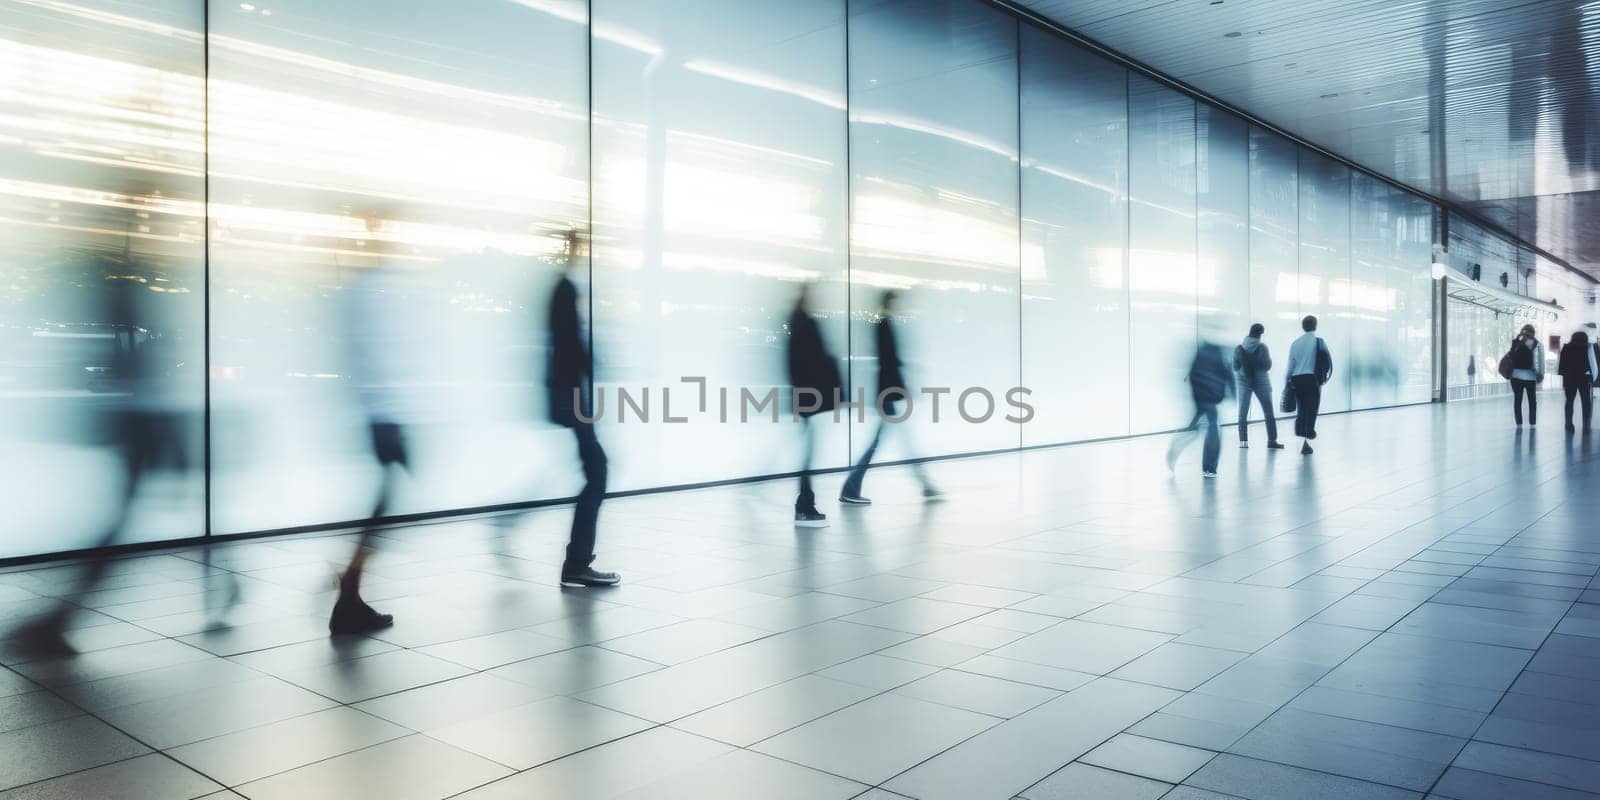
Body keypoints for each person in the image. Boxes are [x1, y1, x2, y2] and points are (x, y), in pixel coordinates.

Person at [547, 230, 619, 588]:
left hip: (571, 396)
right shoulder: (567, 290)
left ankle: (577, 560)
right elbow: (569, 346)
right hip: (571, 397)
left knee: (594, 470)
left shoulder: (566, 289)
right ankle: (577, 561)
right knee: (597, 470)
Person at [839, 291, 938, 504]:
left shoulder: (883, 325)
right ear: (889, 303)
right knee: (891, 442)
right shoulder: (884, 326)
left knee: (894, 441)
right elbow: (889, 363)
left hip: (888, 393)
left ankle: (925, 486)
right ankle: (851, 487)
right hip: (888, 393)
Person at [786, 282, 841, 527]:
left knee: (806, 451)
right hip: (810, 398)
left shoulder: (799, 322)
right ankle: (804, 506)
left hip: (806, 398)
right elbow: (810, 363)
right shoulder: (805, 323)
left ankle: (805, 504)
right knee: (807, 454)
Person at [1167, 338, 1234, 478]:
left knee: (1195, 429)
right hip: (1210, 398)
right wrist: (1232, 394)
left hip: (1200, 397)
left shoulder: (1202, 352)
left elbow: (1192, 375)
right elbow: (1228, 374)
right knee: (1213, 427)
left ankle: (1177, 442)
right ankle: (1209, 468)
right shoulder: (1219, 353)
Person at [1286, 315, 1333, 455]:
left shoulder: (1295, 343)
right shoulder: (1319, 342)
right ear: (1315, 325)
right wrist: (1323, 378)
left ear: (1303, 327)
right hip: (1311, 379)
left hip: (1296, 379)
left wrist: (1287, 382)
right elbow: (1327, 361)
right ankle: (1307, 437)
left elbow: (1291, 366)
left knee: (1302, 408)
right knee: (1311, 408)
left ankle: (1302, 436)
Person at [1233, 323, 1282, 450]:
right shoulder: (1262, 347)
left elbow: (1235, 367)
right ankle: (1272, 441)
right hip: (1261, 382)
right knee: (1268, 412)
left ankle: (1243, 442)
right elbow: (1267, 366)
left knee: (1242, 412)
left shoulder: (1239, 348)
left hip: (1244, 381)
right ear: (1260, 334)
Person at [1557, 330, 1595, 432]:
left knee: (1569, 401)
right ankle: (1586, 425)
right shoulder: (1586, 348)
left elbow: (1562, 366)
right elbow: (1591, 364)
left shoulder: (1566, 348)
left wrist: (1564, 374)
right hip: (1584, 378)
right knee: (1586, 402)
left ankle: (1568, 424)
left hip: (1569, 379)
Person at [1508, 324, 1544, 427]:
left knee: (1517, 401)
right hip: (1530, 377)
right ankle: (1532, 424)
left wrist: (1518, 338)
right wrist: (1540, 375)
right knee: (1532, 401)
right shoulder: (1535, 343)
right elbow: (1539, 361)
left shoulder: (1516, 342)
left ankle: (1519, 424)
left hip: (1516, 376)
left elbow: (1511, 356)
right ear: (1533, 333)